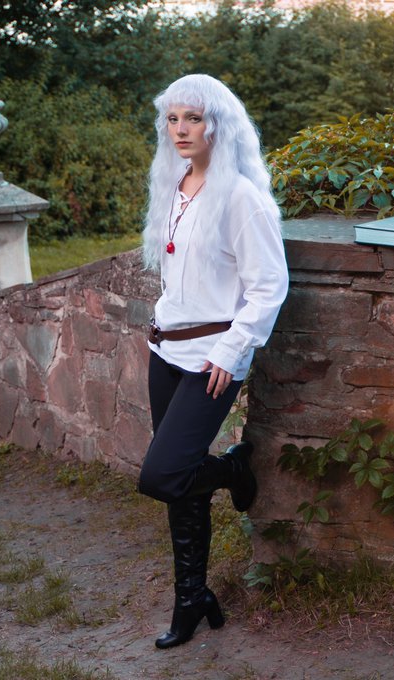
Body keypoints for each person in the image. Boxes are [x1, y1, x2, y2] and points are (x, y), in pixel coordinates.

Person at [138, 73, 289, 649]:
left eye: (193, 118)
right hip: (165, 350)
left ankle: (232, 469)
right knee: (180, 485)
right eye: (173, 118)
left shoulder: (241, 197)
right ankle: (192, 598)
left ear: (218, 125)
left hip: (213, 359)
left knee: (164, 474)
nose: (181, 129)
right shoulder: (175, 182)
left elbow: (269, 286)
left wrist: (231, 349)